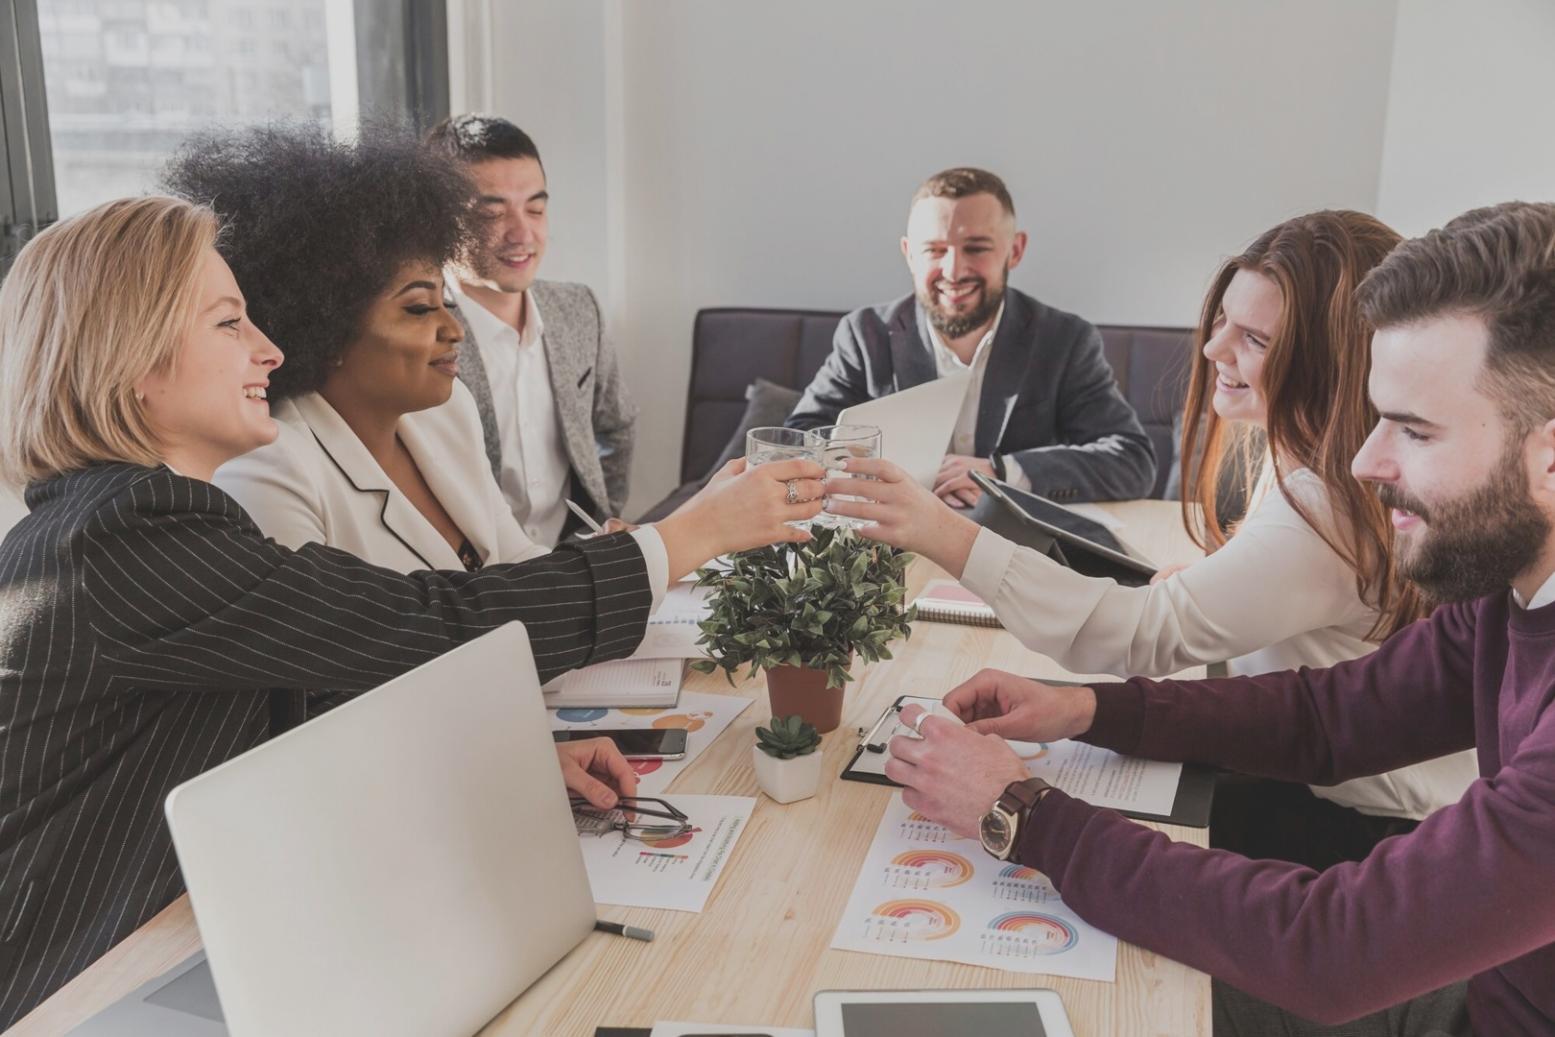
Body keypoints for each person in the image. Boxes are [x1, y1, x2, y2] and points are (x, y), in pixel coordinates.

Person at [0, 196, 823, 1027]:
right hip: (77, 984)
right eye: (228, 324)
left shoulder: (134, 521)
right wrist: (684, 538)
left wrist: (497, 763)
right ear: (134, 363)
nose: (270, 350)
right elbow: (424, 623)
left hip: (176, 938)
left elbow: (297, 708)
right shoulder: (123, 535)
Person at [877, 201, 1555, 1035]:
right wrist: (1093, 709)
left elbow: (1335, 949)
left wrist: (1020, 810)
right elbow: (1329, 717)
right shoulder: (1513, 587)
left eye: (1412, 431)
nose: (1363, 461)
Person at [823, 210, 1477, 865]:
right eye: (1220, 321)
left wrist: (936, 528)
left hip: (1363, 829)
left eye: (1252, 338)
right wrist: (1183, 614)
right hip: (1323, 776)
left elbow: (1141, 637)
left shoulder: (1322, 503)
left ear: (1324, 361)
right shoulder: (1304, 469)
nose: (1213, 348)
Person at [162, 124, 569, 570]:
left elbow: (519, 566)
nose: (454, 330)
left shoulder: (449, 413)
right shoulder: (271, 471)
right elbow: (368, 635)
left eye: (445, 303)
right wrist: (643, 559)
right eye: (418, 309)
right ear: (327, 330)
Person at [785, 166, 1156, 506]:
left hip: (1011, 553)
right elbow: (798, 441)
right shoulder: (865, 335)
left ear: (1015, 250)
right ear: (909, 254)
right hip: (891, 554)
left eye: (976, 248)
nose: (954, 270)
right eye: (934, 250)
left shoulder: (1065, 340)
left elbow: (1132, 461)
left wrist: (1001, 473)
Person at [424, 114, 634, 545]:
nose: (523, 233)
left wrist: (601, 523)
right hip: (473, 580)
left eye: (536, 209)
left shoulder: (579, 308)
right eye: (491, 214)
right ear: (437, 221)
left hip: (572, 558)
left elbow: (615, 426)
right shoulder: (416, 329)